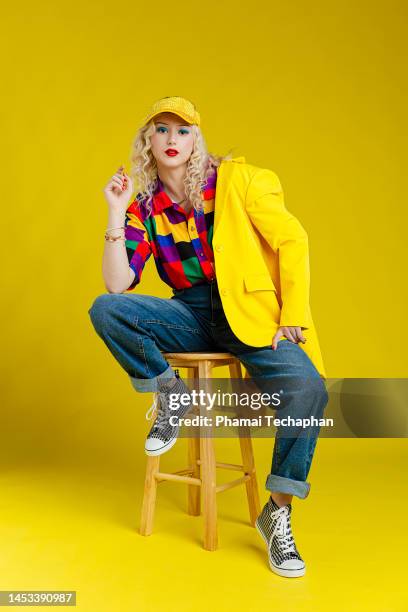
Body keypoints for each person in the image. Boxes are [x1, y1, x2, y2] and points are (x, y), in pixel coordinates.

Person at [88, 95, 329, 578]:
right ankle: (171, 396)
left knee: (309, 390)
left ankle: (277, 512)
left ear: (196, 138)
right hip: (192, 312)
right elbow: (118, 284)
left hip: (252, 312)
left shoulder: (242, 181)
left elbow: (292, 239)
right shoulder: (145, 207)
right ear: (148, 142)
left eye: (182, 130)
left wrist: (292, 314)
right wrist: (116, 213)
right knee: (106, 309)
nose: (171, 139)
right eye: (161, 130)